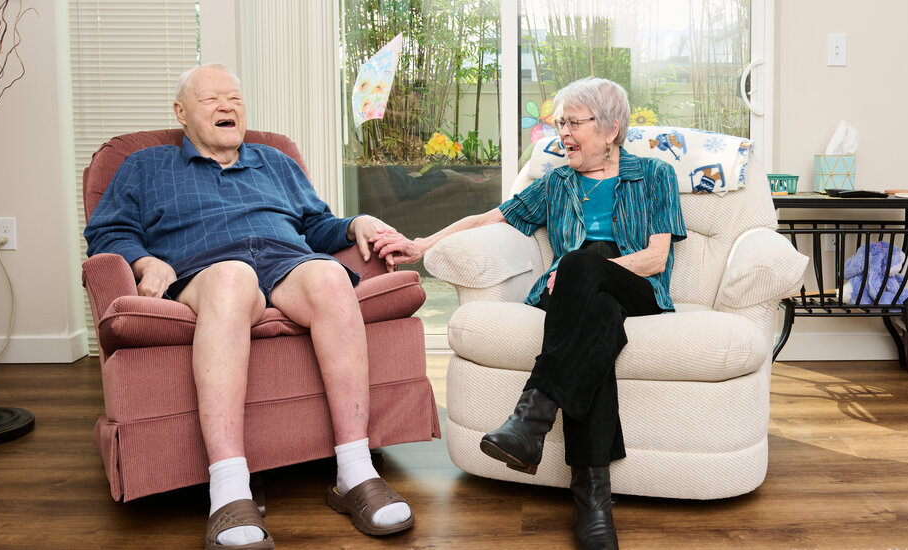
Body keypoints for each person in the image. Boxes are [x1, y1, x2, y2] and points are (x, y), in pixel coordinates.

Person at [84, 63, 419, 550]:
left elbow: (316, 225)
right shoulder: (144, 166)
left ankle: (354, 471)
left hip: (284, 259)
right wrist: (145, 261)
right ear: (181, 112)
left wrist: (356, 223)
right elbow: (107, 232)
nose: (227, 106)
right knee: (232, 279)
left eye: (235, 98)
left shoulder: (275, 161)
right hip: (205, 266)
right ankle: (229, 489)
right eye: (211, 99)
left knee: (330, 277)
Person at [371, 76, 687, 550]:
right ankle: (592, 502)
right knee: (596, 315)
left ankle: (530, 420)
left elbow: (656, 258)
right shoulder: (557, 182)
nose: (564, 133)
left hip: (637, 287)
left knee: (581, 265)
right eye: (561, 123)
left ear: (610, 129)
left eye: (574, 123)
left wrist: (588, 269)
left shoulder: (655, 174)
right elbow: (488, 218)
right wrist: (422, 244)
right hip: (578, 300)